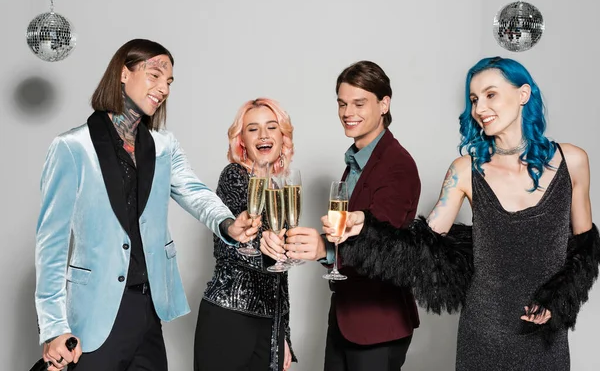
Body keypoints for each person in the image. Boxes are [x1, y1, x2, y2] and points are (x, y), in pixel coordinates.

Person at [330, 57, 599, 371]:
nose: (479, 108)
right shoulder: (464, 171)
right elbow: (421, 247)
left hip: (545, 338)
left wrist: (559, 301)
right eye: (473, 99)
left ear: (523, 94)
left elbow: (585, 246)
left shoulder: (573, 161)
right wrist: (367, 230)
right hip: (482, 334)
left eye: (490, 94)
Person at [34, 38, 259, 371]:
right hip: (96, 313)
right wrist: (54, 327)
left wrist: (227, 223)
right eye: (154, 75)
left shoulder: (163, 145)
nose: (163, 87)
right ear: (123, 74)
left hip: (150, 307)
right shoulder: (72, 148)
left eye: (168, 81)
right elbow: (50, 244)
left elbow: (194, 192)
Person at [264, 61, 421, 370]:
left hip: (377, 325)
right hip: (346, 317)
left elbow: (382, 242)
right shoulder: (358, 161)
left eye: (359, 103)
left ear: (384, 103)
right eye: (342, 103)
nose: (348, 112)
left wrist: (325, 248)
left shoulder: (396, 164)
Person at [194, 98, 297, 371]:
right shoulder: (234, 176)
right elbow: (228, 248)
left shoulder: (279, 189)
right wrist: (266, 249)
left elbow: (280, 274)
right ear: (242, 140)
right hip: (229, 318)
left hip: (267, 324)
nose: (263, 135)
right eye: (253, 129)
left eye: (271, 127)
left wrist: (281, 334)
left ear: (281, 136)